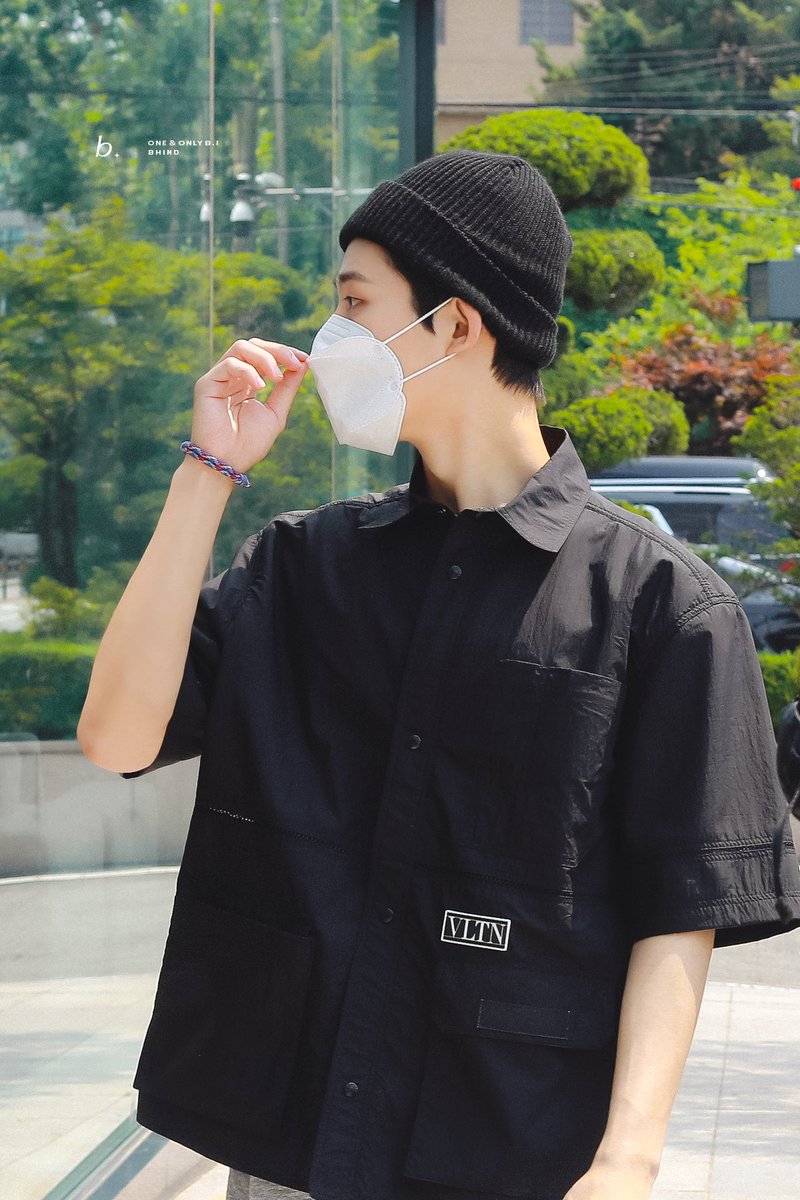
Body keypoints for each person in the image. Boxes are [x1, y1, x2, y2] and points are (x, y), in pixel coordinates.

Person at [77, 150, 800, 1200]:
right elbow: (116, 737)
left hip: (502, 1147)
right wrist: (209, 471)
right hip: (290, 1145)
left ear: (457, 324)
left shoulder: (660, 606)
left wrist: (626, 1159)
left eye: (353, 303)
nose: (327, 337)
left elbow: (678, 906)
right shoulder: (303, 566)